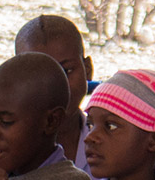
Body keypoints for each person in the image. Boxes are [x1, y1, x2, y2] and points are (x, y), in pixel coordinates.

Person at [14, 14, 95, 168]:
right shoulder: (8, 151)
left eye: (67, 70)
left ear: (87, 70)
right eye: (36, 76)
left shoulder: (111, 146)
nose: (55, 87)